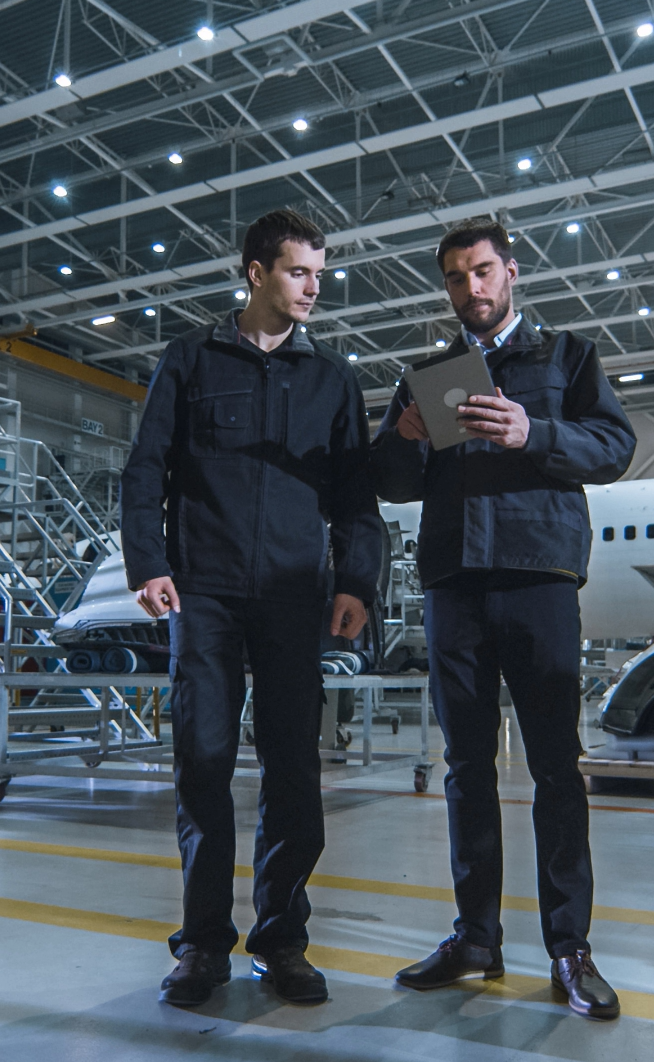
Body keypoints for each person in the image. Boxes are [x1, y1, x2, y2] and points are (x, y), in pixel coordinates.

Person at [371, 219, 636, 1020]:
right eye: (456, 277)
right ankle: (476, 938)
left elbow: (615, 446)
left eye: (482, 271)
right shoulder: (428, 376)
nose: (471, 288)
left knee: (556, 765)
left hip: (537, 578)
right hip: (455, 585)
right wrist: (404, 439)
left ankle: (569, 949)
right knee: (466, 768)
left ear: (511, 271)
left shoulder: (566, 358)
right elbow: (390, 481)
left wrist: (535, 431)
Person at [121, 208, 383, 1008]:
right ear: (257, 272)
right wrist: (148, 562)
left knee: (293, 767)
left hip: (294, 598)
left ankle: (282, 941)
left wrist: (356, 581)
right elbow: (147, 469)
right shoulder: (191, 359)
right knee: (203, 762)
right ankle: (203, 945)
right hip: (203, 593)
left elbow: (356, 497)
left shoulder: (332, 379)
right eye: (299, 272)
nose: (313, 288)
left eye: (319, 275)